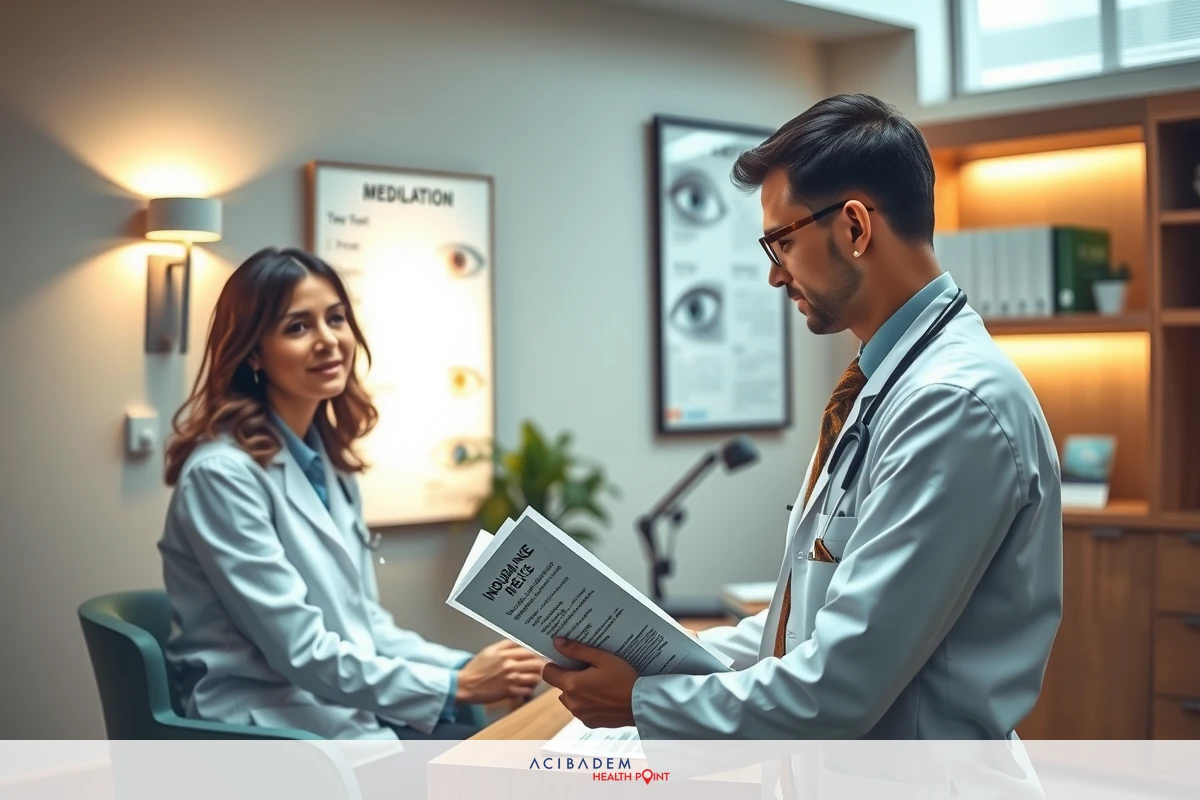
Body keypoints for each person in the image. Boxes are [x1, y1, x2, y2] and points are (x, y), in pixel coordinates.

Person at [544, 94, 1064, 739]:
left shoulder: (951, 404)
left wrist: (646, 702)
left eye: (781, 242)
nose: (774, 276)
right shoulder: (882, 385)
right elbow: (802, 633)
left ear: (854, 227)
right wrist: (660, 656)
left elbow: (838, 687)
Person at [158, 246, 543, 740]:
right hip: (265, 728)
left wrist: (471, 667)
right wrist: (457, 687)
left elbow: (365, 626)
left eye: (336, 318)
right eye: (298, 326)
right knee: (507, 765)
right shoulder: (221, 476)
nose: (328, 340)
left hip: (334, 710)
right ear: (253, 352)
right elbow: (300, 650)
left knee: (522, 755)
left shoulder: (327, 464)